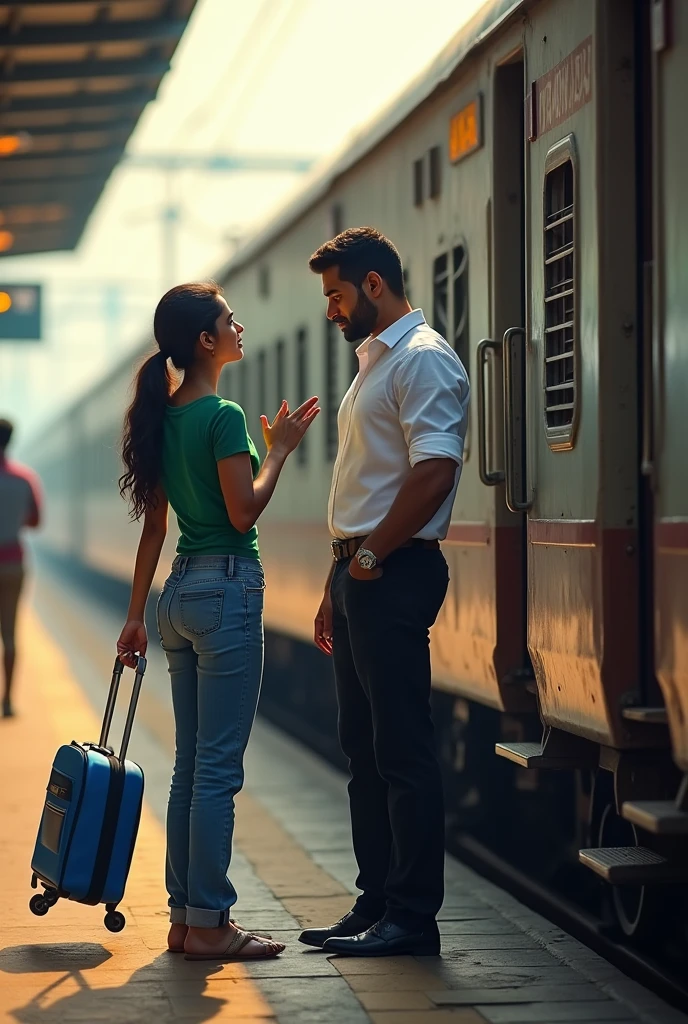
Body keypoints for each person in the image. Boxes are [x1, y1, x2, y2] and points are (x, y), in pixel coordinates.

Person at [116, 282, 319, 961]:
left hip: (176, 595)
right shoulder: (222, 416)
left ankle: (185, 918)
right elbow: (242, 513)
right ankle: (209, 923)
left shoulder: (165, 417)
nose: (239, 326)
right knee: (217, 771)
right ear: (207, 340)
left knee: (189, 766)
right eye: (230, 320)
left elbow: (154, 530)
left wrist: (135, 616)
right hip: (226, 591)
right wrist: (280, 450)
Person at [300, 228, 469, 957]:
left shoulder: (422, 358)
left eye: (337, 295)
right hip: (360, 574)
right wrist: (337, 580)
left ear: (374, 284)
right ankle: (375, 903)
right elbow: (362, 486)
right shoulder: (376, 362)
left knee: (400, 749)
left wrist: (369, 557)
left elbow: (435, 469)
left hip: (393, 571)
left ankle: (412, 917)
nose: (331, 310)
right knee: (364, 750)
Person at [0, 418, 42, 718]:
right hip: (14, 562)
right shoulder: (25, 479)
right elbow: (36, 520)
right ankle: (7, 701)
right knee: (10, 634)